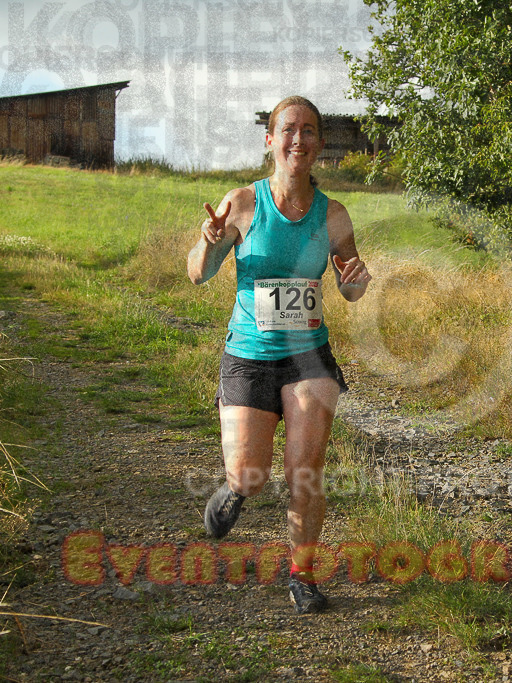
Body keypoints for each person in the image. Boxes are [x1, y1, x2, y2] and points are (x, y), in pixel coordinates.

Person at [186, 96, 371, 614]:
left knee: (305, 471)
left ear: (319, 145)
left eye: (309, 130)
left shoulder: (333, 215)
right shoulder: (243, 203)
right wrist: (209, 241)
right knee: (250, 473)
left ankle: (302, 574)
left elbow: (350, 284)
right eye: (288, 129)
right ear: (270, 140)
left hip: (308, 356)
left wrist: (355, 280)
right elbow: (198, 273)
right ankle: (234, 489)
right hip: (248, 352)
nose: (298, 139)